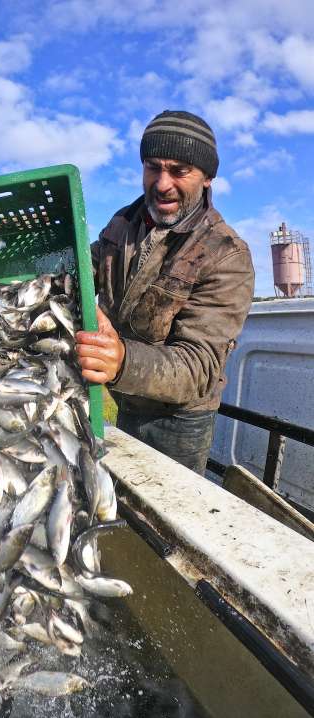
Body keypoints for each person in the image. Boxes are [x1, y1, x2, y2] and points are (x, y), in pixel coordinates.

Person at [76, 110, 255, 475]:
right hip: (126, 397)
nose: (161, 183)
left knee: (165, 519)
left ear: (207, 177)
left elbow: (198, 367)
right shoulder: (123, 223)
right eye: (152, 167)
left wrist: (122, 360)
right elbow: (83, 270)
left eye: (179, 170)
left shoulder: (226, 254)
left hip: (178, 421)